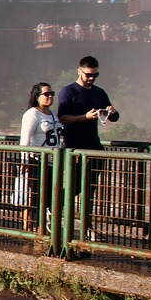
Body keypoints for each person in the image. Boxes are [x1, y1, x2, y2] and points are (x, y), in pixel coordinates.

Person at [58, 55, 120, 247]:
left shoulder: (99, 93)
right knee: (75, 187)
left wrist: (112, 113)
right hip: (75, 147)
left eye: (95, 75)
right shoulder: (68, 91)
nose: (92, 78)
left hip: (94, 147)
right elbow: (63, 118)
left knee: (89, 190)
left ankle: (86, 227)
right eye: (89, 75)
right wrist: (84, 117)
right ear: (79, 71)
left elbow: (113, 118)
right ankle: (54, 211)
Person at [18, 82, 61, 231]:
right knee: (33, 198)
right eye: (46, 94)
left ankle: (42, 228)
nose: (50, 97)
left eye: (52, 94)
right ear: (37, 96)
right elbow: (25, 138)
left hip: (51, 162)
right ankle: (29, 229)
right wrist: (24, 160)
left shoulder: (53, 114)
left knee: (48, 197)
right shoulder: (32, 114)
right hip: (35, 161)